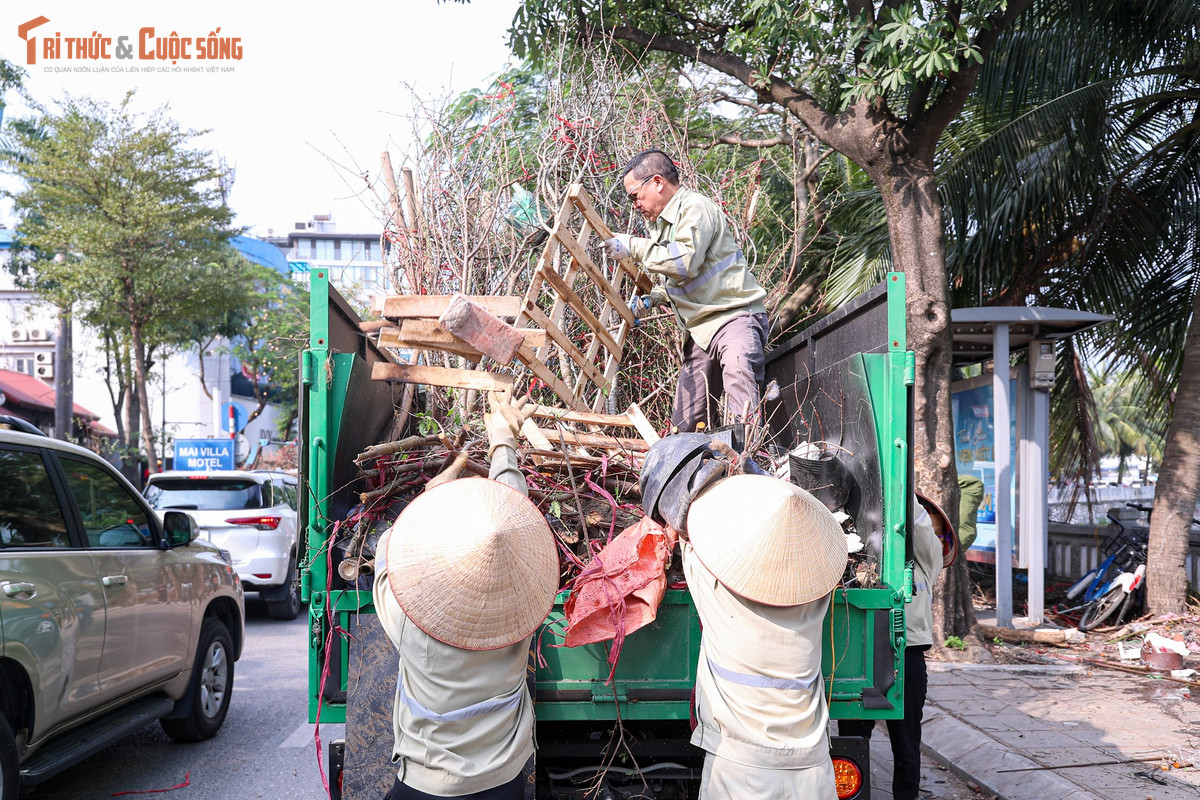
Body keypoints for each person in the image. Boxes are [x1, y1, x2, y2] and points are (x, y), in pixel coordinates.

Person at [371, 393, 559, 799]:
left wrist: (427, 500)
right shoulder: (520, 609)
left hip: (425, 784)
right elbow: (509, 525)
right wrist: (503, 443)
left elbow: (391, 548)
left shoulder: (407, 619)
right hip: (502, 783)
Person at [670, 471, 848, 799]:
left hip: (742, 771)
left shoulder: (717, 599)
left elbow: (690, 534)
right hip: (813, 772)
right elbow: (825, 566)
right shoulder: (816, 603)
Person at [603, 149, 770, 433]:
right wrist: (654, 298)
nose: (634, 205)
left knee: (740, 390)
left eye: (634, 196)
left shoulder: (694, 208)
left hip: (734, 319)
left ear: (657, 182)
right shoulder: (662, 224)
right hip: (701, 332)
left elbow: (683, 264)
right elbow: (684, 279)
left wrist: (633, 246)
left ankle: (748, 464)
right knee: (687, 422)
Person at [838, 494, 947, 800]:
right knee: (852, 740)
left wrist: (901, 487)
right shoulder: (862, 555)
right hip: (860, 652)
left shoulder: (925, 559)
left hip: (906, 653)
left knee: (906, 742)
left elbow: (921, 527)